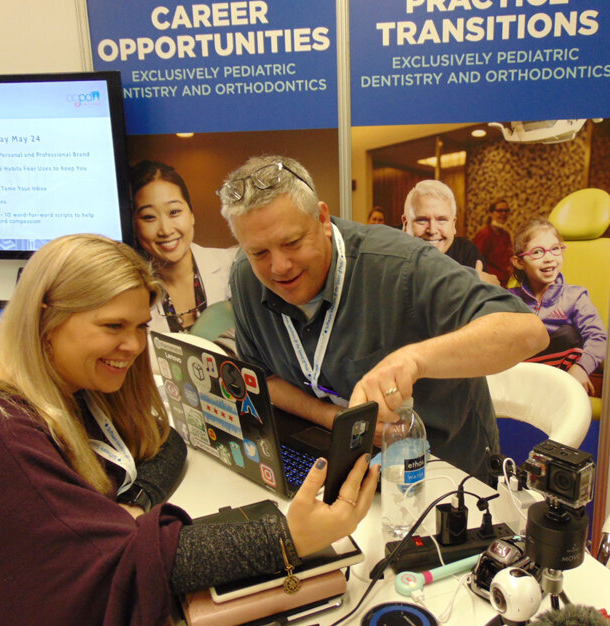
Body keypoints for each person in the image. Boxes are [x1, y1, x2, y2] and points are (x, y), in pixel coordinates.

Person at [0, 234, 378, 626]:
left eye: (140, 327)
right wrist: (290, 538)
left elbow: (162, 441)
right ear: (47, 318)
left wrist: (134, 502)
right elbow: (138, 562)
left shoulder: (57, 389)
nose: (131, 346)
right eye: (113, 326)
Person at [219, 155, 548, 477]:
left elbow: (528, 331)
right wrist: (336, 417)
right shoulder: (246, 277)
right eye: (259, 252)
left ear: (321, 218)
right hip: (341, 460)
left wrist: (413, 359)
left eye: (292, 242)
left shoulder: (400, 264)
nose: (279, 267)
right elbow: (264, 378)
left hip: (444, 470)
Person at [130, 160, 237, 334]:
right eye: (149, 217)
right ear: (134, 225)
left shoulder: (232, 266)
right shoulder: (130, 293)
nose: (165, 230)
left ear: (191, 214)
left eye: (174, 212)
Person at [508, 219, 607, 395]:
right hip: (519, 377)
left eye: (555, 249)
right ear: (519, 262)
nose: (549, 258)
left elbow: (598, 337)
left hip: (560, 382)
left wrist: (581, 368)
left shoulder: (575, 296)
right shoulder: (509, 298)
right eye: (538, 252)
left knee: (569, 334)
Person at [400, 179, 499, 285]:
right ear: (405, 224)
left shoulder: (466, 252)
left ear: (453, 224)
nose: (432, 230)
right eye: (422, 220)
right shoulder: (390, 256)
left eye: (441, 220)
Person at [473, 198, 514, 286]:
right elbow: (476, 261)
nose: (503, 214)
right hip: (491, 284)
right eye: (500, 211)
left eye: (506, 211)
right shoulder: (485, 234)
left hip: (506, 283)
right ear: (491, 213)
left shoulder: (505, 234)